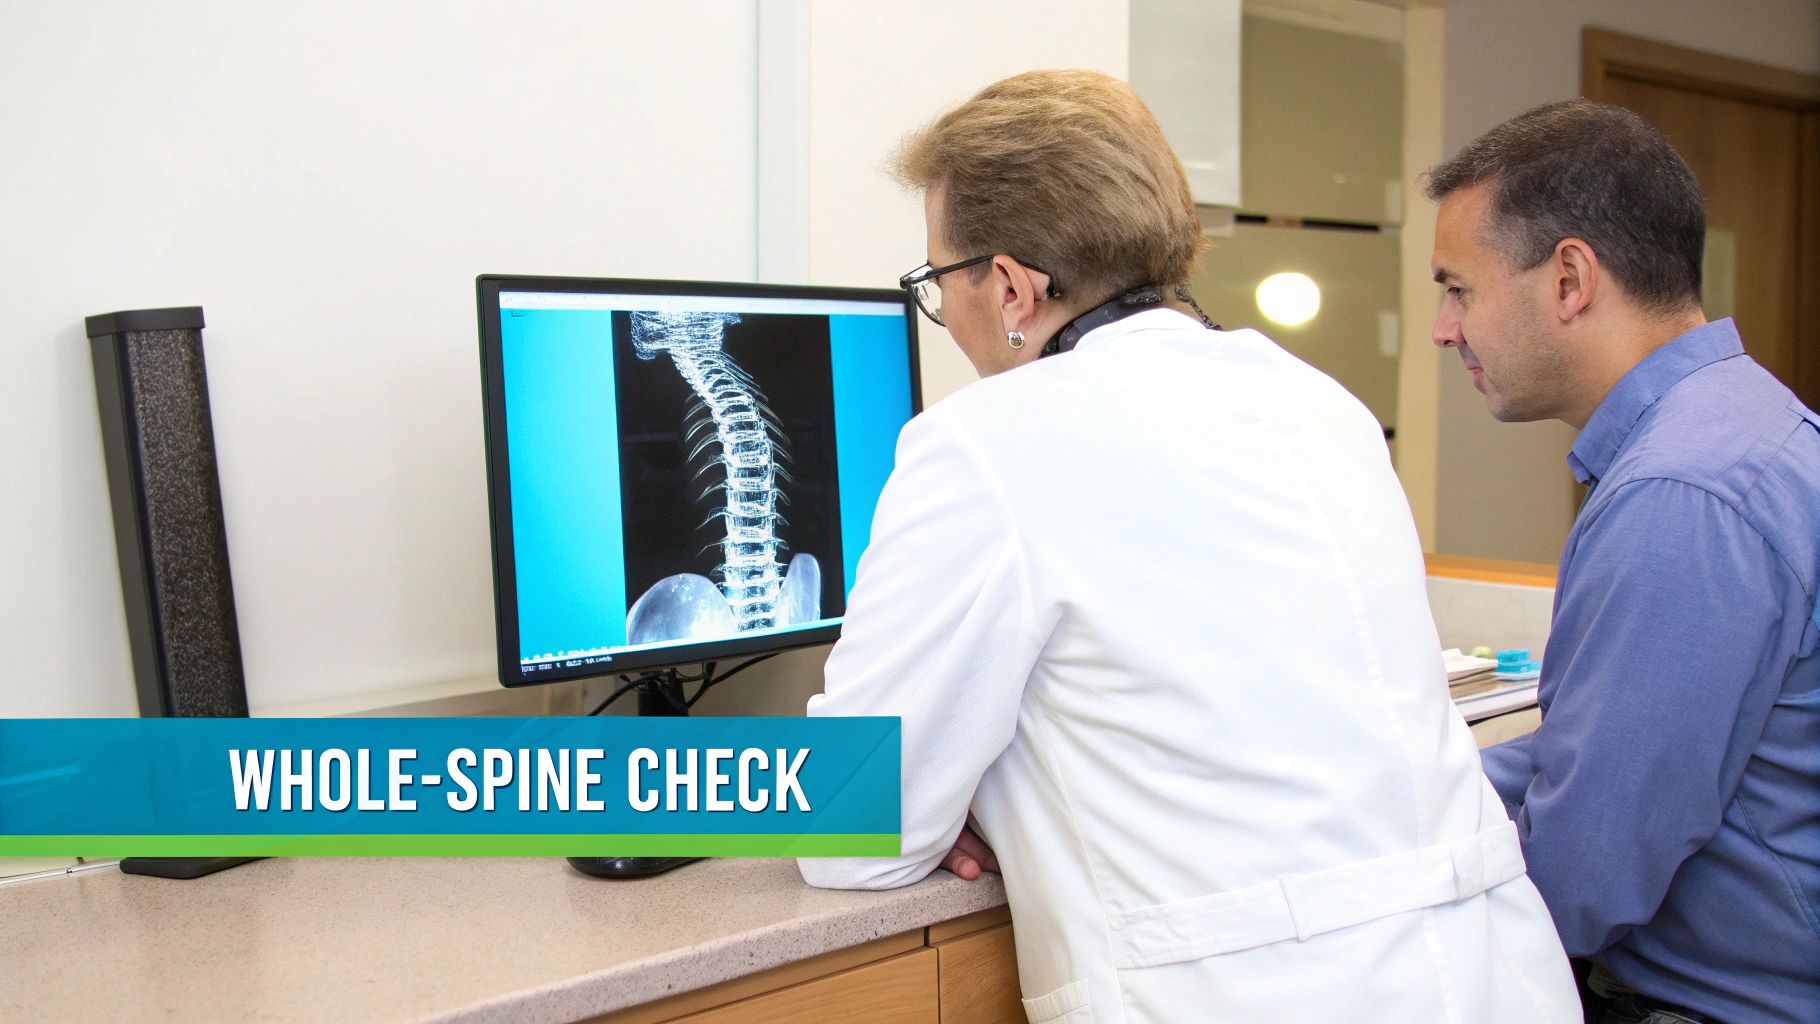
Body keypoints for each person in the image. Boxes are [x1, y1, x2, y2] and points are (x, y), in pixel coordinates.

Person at [797, 69, 1576, 1022]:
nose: (944, 314)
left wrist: (943, 788)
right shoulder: (1319, 403)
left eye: (938, 283)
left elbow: (845, 829)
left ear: (1008, 285)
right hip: (1493, 980)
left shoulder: (985, 445)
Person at [1427, 100, 1820, 1024]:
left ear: (1569, 278)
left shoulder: (1682, 494)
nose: (1445, 330)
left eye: (1458, 289)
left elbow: (1587, 870)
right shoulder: (1746, 426)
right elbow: (1593, 756)